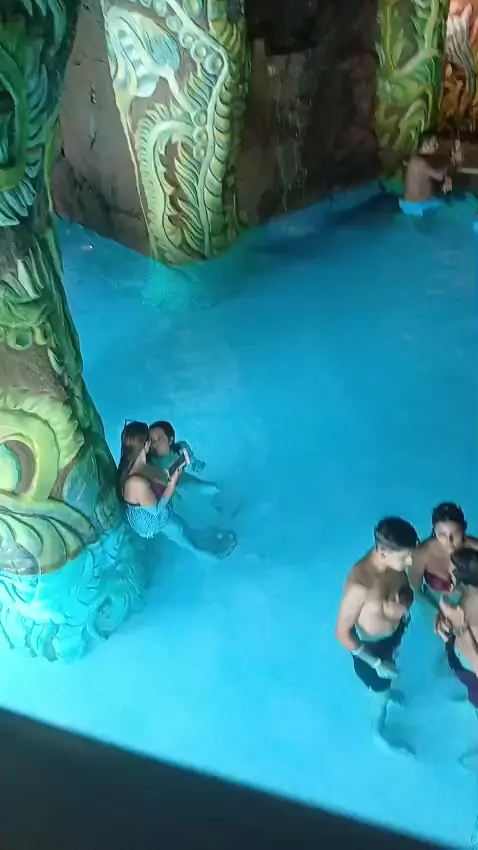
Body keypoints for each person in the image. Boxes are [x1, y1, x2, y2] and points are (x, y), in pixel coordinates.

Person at [118, 421, 236, 559]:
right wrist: (172, 484)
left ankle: (206, 536)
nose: (154, 443)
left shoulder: (144, 465)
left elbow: (162, 475)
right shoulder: (136, 482)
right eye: (150, 439)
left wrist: (176, 471)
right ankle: (213, 557)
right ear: (145, 444)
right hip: (151, 521)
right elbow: (156, 510)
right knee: (182, 534)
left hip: (156, 508)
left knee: (182, 529)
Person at [336, 517, 418, 694]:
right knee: (381, 689)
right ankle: (381, 708)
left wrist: (403, 604)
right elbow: (342, 633)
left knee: (393, 664)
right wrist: (377, 664)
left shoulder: (393, 558)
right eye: (405, 558)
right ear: (382, 553)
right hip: (372, 648)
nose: (410, 562)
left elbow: (406, 589)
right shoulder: (360, 586)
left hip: (395, 633)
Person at [435, 547, 478, 769]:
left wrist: (459, 626)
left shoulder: (469, 610)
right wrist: (443, 618)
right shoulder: (466, 599)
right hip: (463, 661)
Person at [409, 503, 478, 606]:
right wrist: (438, 610)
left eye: (455, 533)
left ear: (464, 528)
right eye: (442, 534)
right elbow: (416, 591)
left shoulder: (475, 548)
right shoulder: (422, 554)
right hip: (433, 601)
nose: (449, 540)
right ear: (434, 531)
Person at [148, 420, 219, 500]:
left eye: (159, 439)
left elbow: (193, 463)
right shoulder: (148, 462)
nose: (154, 444)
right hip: (167, 491)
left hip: (182, 480)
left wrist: (195, 465)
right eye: (151, 440)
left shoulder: (181, 449)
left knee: (214, 488)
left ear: (170, 441)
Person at [399, 133, 453, 217]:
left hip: (422, 204)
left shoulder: (423, 158)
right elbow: (439, 176)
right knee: (450, 208)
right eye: (434, 143)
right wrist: (452, 160)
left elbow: (442, 167)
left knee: (448, 203)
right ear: (425, 144)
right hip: (415, 207)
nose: (437, 145)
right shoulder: (417, 161)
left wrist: (447, 175)